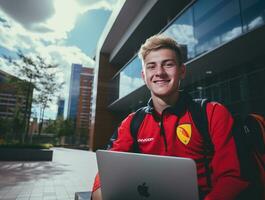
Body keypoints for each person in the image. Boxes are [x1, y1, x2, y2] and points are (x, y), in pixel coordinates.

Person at [91, 34, 249, 200]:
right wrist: (100, 191)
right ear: (144, 76)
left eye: (168, 64)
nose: (159, 72)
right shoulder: (132, 123)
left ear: (182, 71)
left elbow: (232, 179)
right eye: (151, 66)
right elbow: (108, 169)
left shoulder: (212, 113)